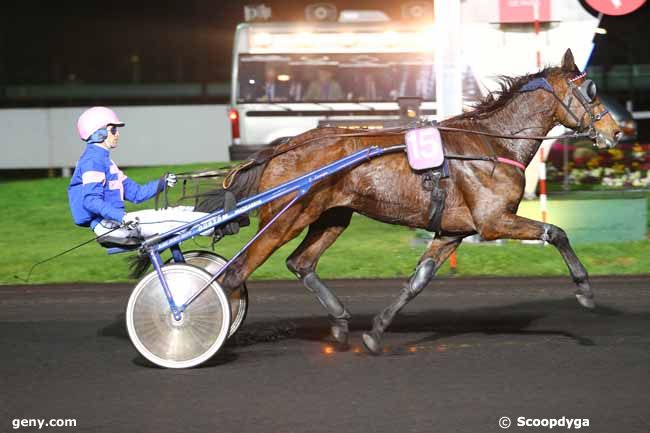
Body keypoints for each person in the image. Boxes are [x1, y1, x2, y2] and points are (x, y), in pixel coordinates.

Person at [68, 106, 211, 245]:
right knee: (172, 217)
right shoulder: (92, 160)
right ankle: (215, 225)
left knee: (177, 211)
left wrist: (162, 183)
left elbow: (137, 194)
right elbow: (91, 201)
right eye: (113, 130)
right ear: (99, 133)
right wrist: (123, 217)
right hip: (110, 226)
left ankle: (212, 217)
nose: (117, 134)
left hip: (116, 222)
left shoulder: (106, 162)